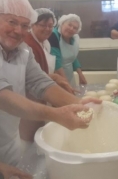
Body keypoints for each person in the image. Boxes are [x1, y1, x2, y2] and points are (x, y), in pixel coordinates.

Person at [0, 0, 100, 178]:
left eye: (24, 25)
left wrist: (80, 105)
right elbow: (3, 97)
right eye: (12, 22)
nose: (18, 30)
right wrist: (55, 115)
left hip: (8, 140)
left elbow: (41, 83)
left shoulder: (23, 51)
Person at [19, 8, 75, 146]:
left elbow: (37, 76)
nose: (47, 29)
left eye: (50, 25)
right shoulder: (28, 45)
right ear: (33, 24)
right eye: (43, 25)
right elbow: (30, 81)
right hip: (29, 101)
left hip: (40, 97)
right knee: (28, 141)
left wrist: (54, 78)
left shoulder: (44, 43)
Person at [48, 14, 87, 87]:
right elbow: (56, 62)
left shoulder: (73, 38)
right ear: (62, 23)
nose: (71, 29)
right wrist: (66, 83)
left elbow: (72, 57)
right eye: (69, 25)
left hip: (69, 75)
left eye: (75, 28)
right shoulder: (53, 36)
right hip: (57, 77)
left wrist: (80, 74)